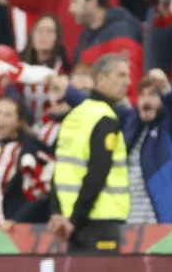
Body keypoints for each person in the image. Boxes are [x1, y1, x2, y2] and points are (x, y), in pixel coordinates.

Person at [49, 54, 131, 252]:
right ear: (101, 79)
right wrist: (74, 218)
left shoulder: (74, 115)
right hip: (101, 220)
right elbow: (97, 174)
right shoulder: (105, 119)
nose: (128, 82)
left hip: (73, 223)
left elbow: (59, 171)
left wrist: (59, 214)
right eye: (121, 75)